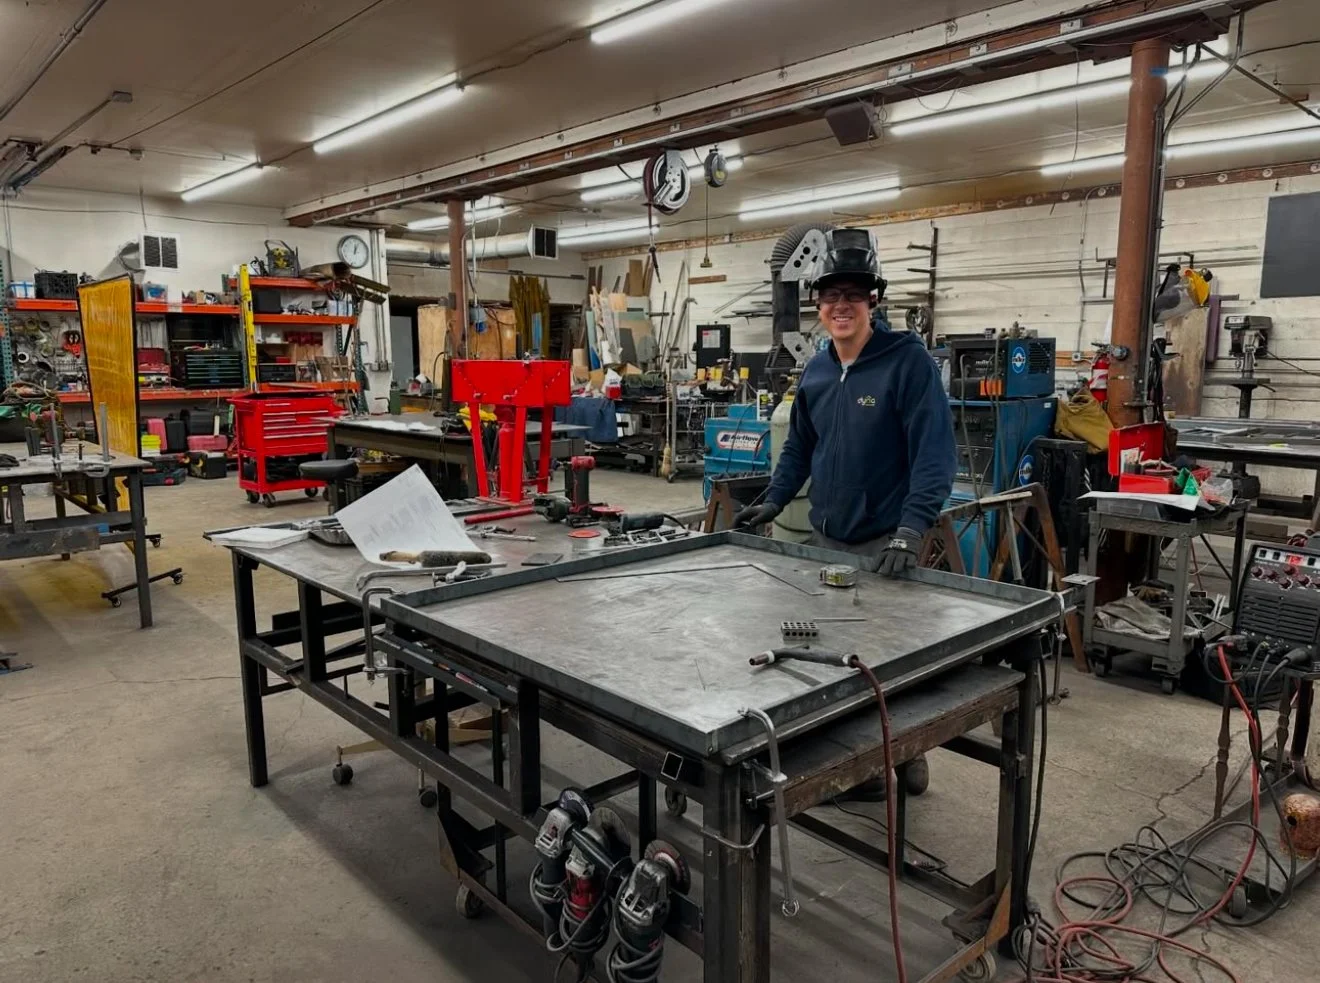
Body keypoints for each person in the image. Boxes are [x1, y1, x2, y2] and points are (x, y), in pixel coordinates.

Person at [735, 227, 956, 798]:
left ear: (873, 301)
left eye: (853, 295)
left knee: (894, 661)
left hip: (887, 541)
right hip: (827, 537)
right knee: (839, 659)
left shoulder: (907, 363)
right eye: (831, 296)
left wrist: (911, 531)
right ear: (817, 303)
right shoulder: (815, 370)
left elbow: (934, 455)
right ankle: (862, 768)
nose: (841, 306)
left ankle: (910, 757)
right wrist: (775, 501)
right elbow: (799, 449)